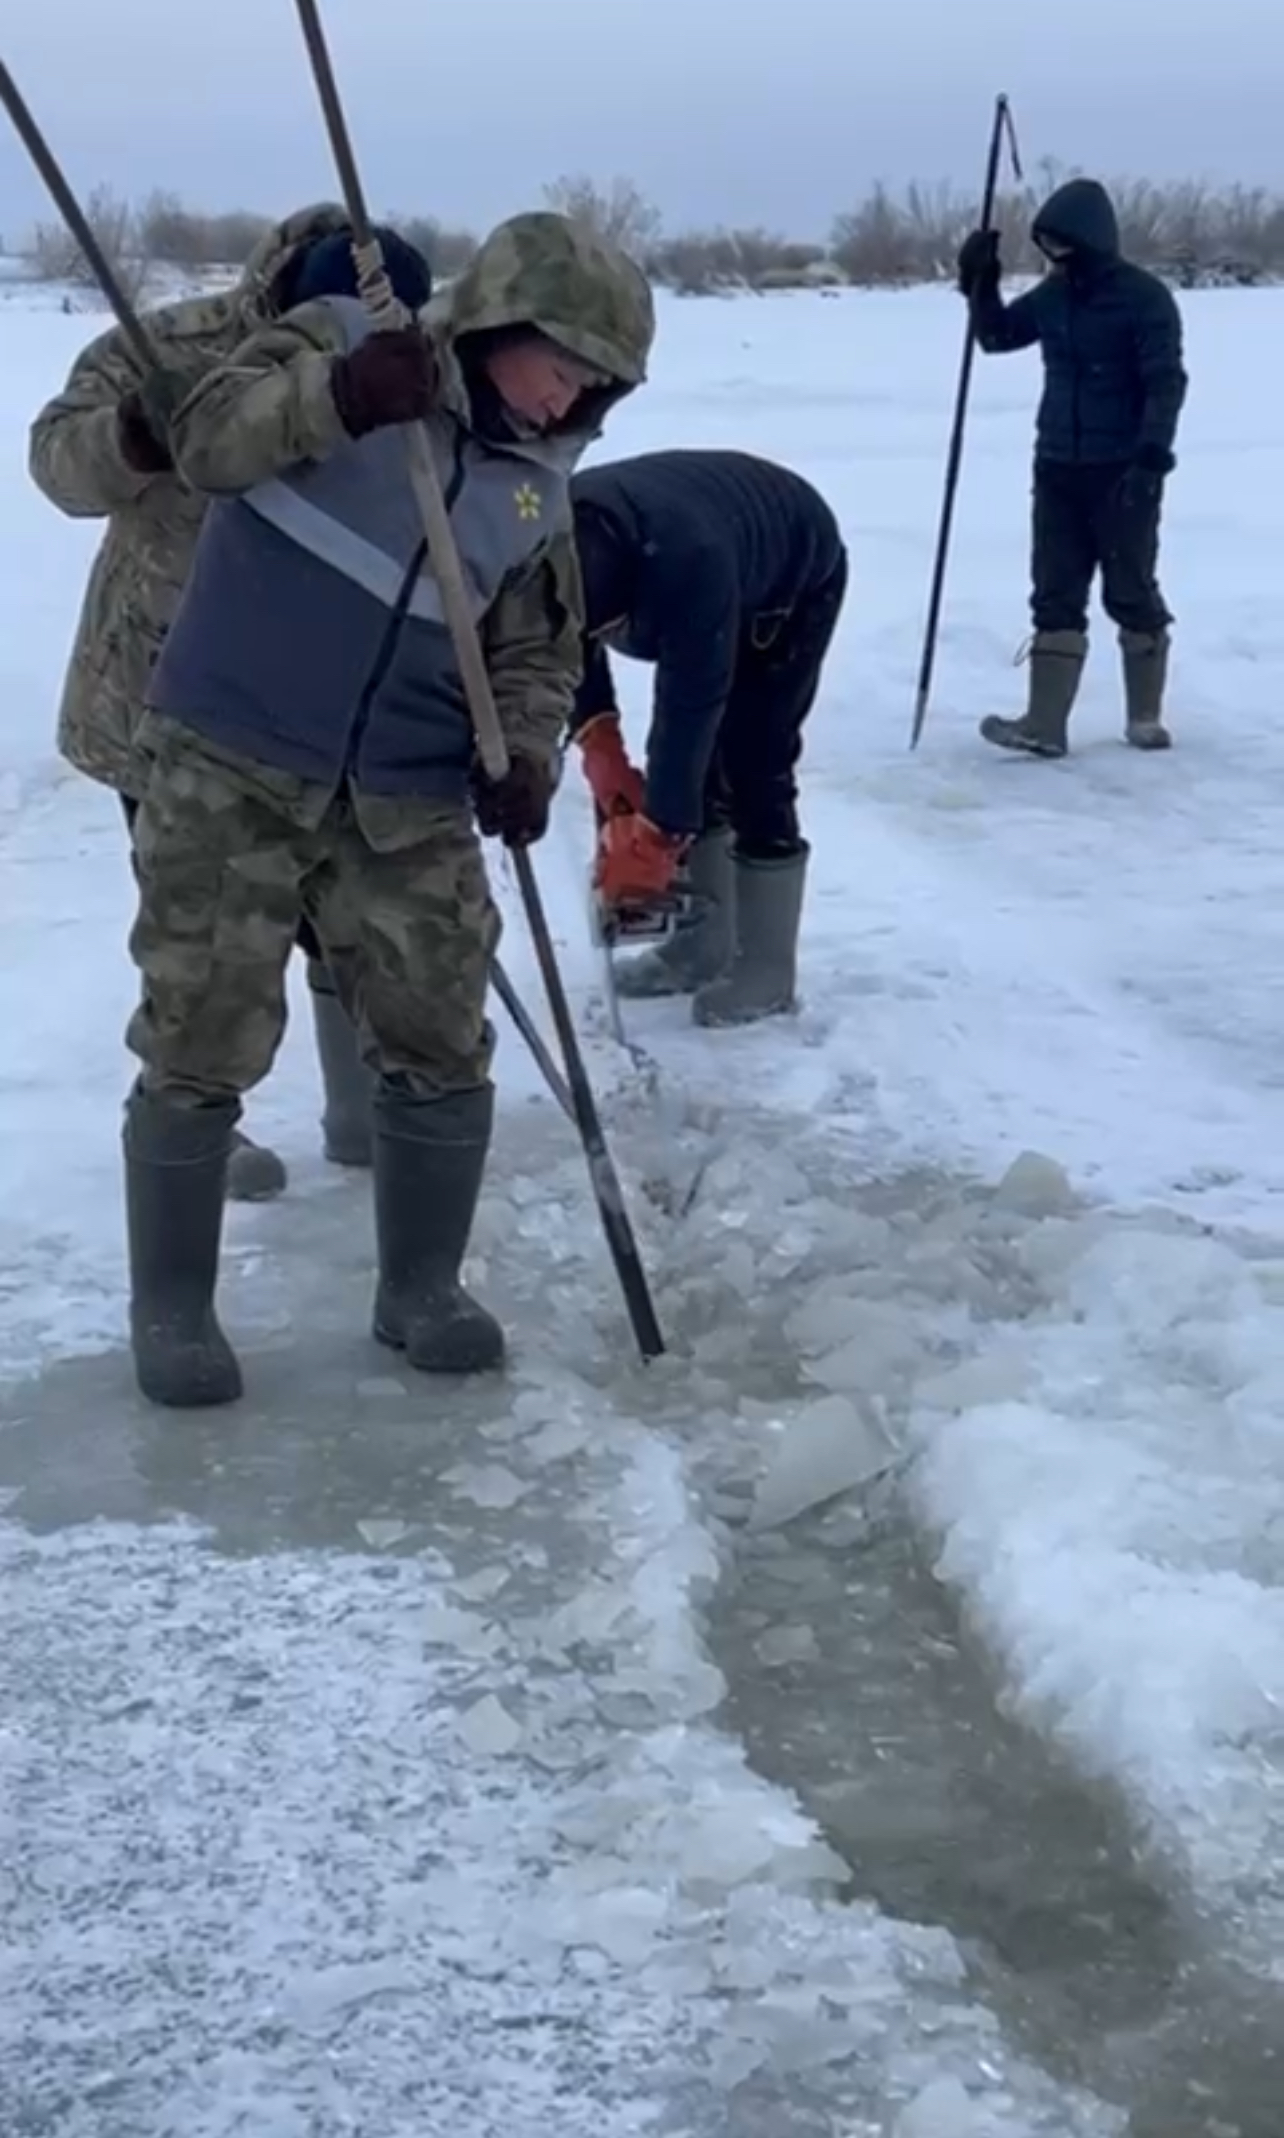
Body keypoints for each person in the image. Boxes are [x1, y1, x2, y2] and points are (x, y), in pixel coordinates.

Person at [122, 209, 654, 1409]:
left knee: (440, 1026)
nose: (566, 400)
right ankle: (174, 1306)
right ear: (497, 324)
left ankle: (420, 1288)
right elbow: (198, 441)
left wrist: (524, 755)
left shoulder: (536, 492)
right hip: (235, 754)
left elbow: (536, 652)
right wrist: (341, 398)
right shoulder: (346, 341)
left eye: (595, 387)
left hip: (408, 789)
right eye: (557, 366)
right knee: (203, 1021)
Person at [28, 207, 433, 1197]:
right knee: (201, 932)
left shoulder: (411, 353)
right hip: (166, 695)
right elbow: (56, 464)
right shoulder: (165, 347)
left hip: (327, 698)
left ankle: (359, 1111)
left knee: (343, 914)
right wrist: (133, 435)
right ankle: (200, 1121)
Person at [569, 449, 847, 1027]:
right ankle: (704, 946)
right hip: (702, 537)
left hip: (791, 572)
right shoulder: (547, 538)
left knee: (751, 756)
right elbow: (561, 645)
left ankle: (768, 968)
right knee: (691, 761)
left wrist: (659, 835)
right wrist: (602, 750)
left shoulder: (687, 564)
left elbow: (690, 706)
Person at [956, 178, 1187, 759]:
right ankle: (1044, 724)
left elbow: (1165, 382)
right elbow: (997, 336)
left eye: (1063, 245)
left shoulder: (1144, 298)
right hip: (1058, 464)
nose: (1054, 256)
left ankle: (1144, 718)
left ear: (1091, 241)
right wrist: (979, 283)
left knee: (1130, 587)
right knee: (1055, 593)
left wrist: (1152, 457)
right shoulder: (1053, 296)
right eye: (1047, 245)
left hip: (1124, 468)